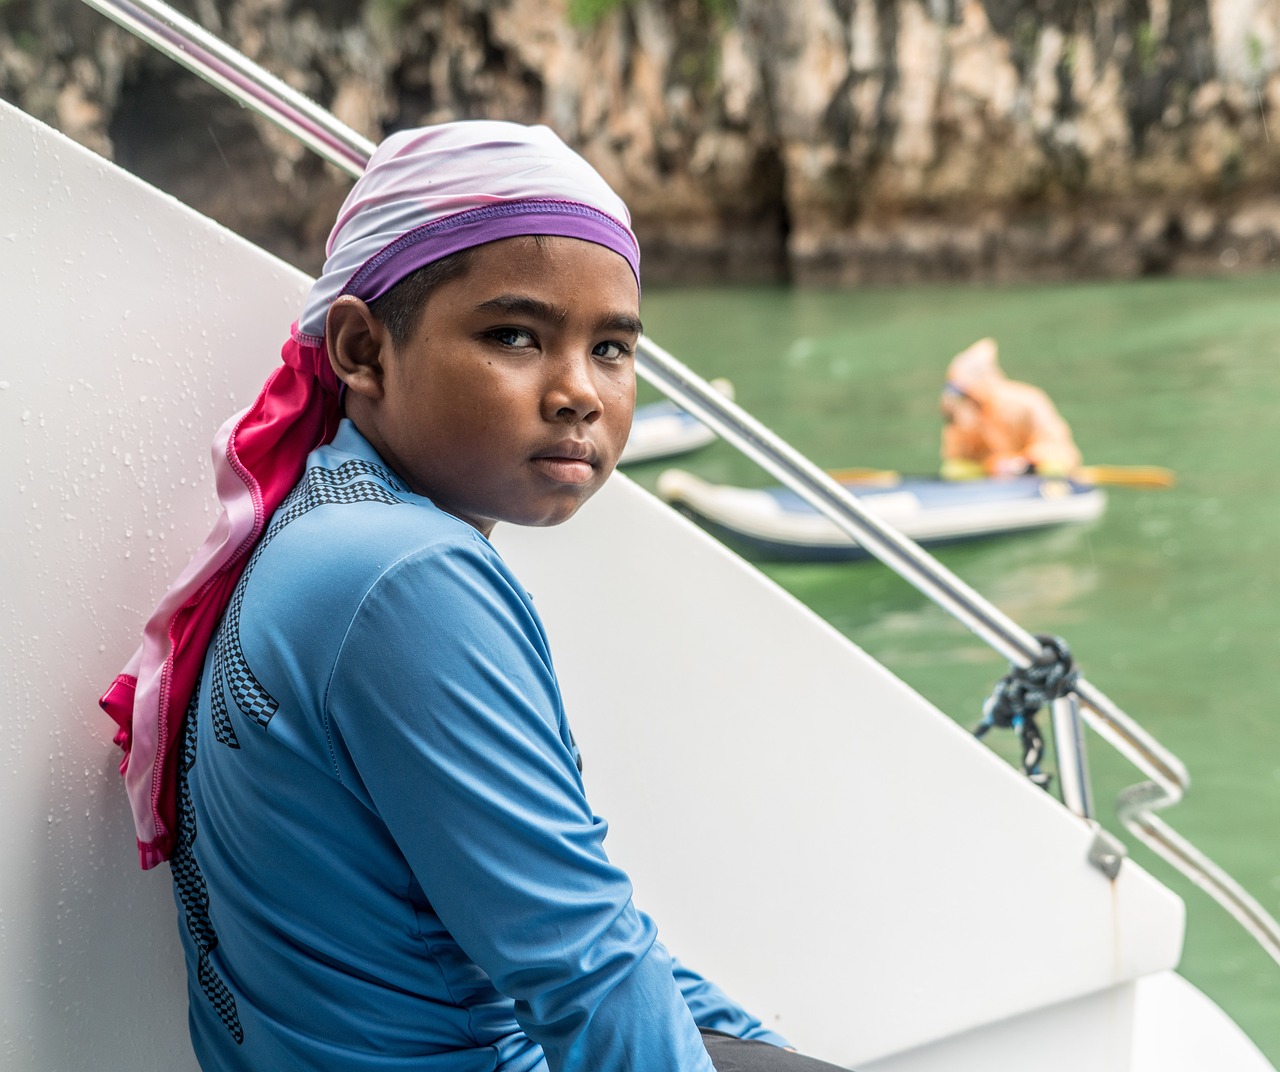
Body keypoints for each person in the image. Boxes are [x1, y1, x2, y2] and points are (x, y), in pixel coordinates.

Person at [100, 121, 848, 1072]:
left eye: (612, 350)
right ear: (363, 349)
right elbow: (587, 972)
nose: (578, 392)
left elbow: (593, 934)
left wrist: (759, 1045)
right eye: (514, 336)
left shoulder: (323, 526)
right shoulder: (406, 578)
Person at [939, 337, 1082, 479]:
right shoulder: (963, 412)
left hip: (1032, 470)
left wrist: (1022, 461)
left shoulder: (1026, 401)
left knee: (1053, 467)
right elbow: (956, 456)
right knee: (953, 471)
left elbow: (1055, 444)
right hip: (990, 474)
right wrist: (991, 465)